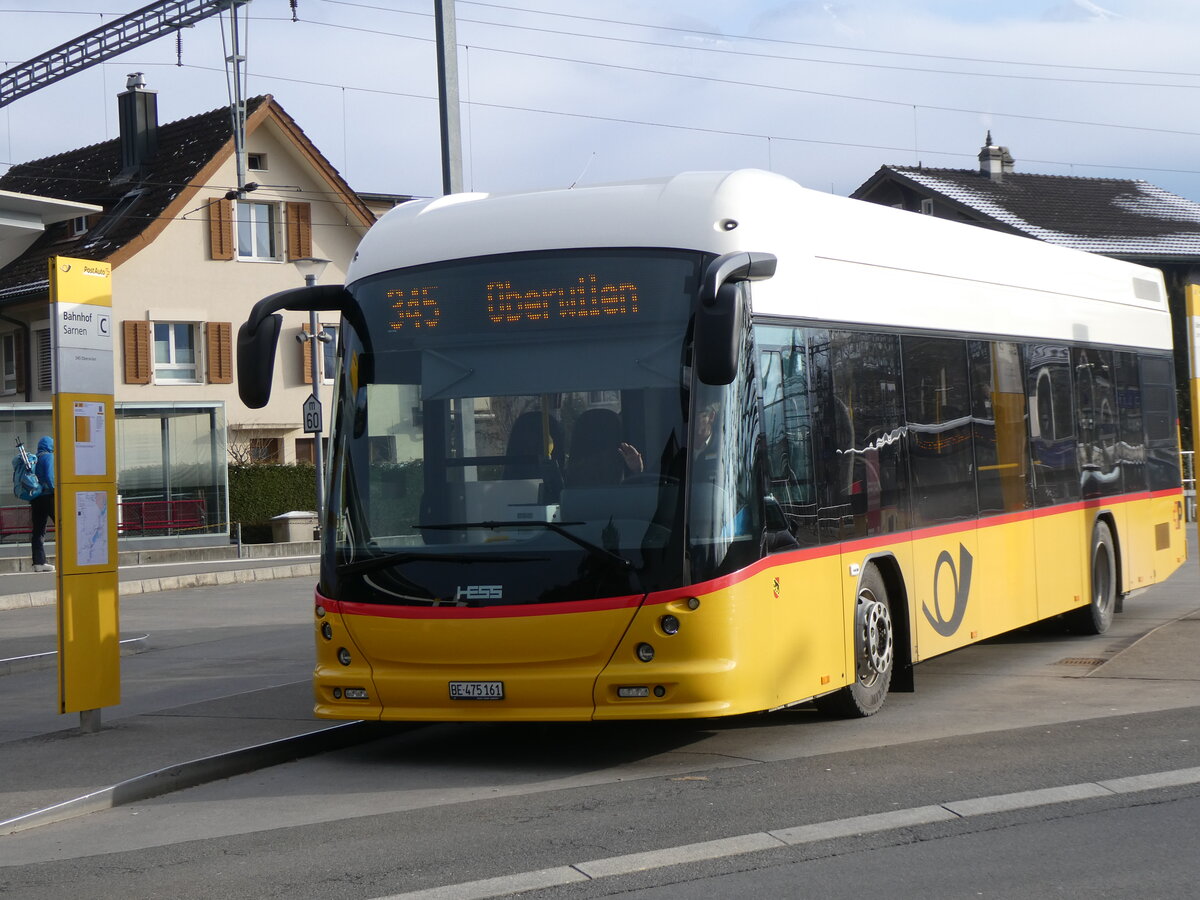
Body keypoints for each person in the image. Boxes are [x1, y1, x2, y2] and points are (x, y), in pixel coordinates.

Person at [30, 436, 54, 573]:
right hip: (48, 497)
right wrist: (55, 491)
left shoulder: (34, 459)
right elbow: (50, 477)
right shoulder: (48, 457)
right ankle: (70, 557)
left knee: (38, 531)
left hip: (35, 498)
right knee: (64, 526)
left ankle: (39, 563)